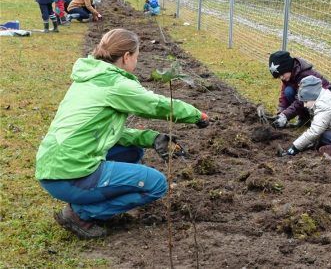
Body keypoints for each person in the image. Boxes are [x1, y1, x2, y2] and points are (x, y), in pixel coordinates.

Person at [35, 28, 210, 239]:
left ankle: (100, 196)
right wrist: (196, 115)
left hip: (53, 167)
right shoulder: (116, 84)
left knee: (131, 151)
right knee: (156, 184)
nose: (136, 61)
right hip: (70, 174)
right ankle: (81, 214)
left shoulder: (90, 77)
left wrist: (150, 138)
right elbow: (156, 105)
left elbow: (103, 132)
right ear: (126, 57)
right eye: (136, 57)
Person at [268, 50, 331, 128]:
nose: (281, 77)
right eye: (279, 76)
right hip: (309, 101)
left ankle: (319, 121)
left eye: (282, 74)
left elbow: (300, 101)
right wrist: (280, 114)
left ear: (288, 67)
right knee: (288, 91)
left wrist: (285, 115)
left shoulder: (304, 75)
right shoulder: (289, 75)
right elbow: (284, 95)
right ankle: (305, 119)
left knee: (296, 96)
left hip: (325, 101)